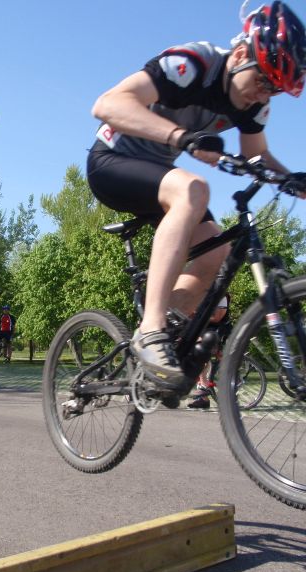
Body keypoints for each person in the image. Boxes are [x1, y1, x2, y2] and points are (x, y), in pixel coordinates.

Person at [87, 1, 306, 391]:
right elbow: (107, 104)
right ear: (240, 54)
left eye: (274, 88)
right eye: (263, 80)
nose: (264, 94)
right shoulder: (193, 64)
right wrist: (181, 138)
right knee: (194, 188)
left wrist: (291, 179)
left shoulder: (253, 104)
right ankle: (151, 329)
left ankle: (163, 341)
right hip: (112, 163)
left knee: (216, 252)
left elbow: (256, 155)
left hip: (159, 181)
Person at [187, 295, 232, 409]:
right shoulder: (203, 294)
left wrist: (198, 317)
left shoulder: (222, 296)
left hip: (218, 331)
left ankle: (204, 388)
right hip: (205, 330)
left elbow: (217, 318)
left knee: (200, 351)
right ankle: (203, 398)